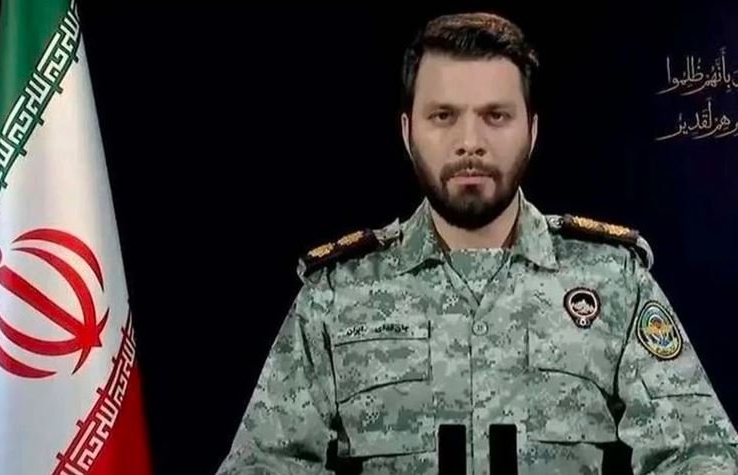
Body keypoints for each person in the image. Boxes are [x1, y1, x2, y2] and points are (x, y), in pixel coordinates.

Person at [217, 11, 738, 475]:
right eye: (443, 116)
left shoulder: (612, 282)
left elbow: (700, 451)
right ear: (408, 132)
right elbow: (264, 462)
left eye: (496, 116)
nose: (470, 142)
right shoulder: (336, 295)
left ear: (532, 130)